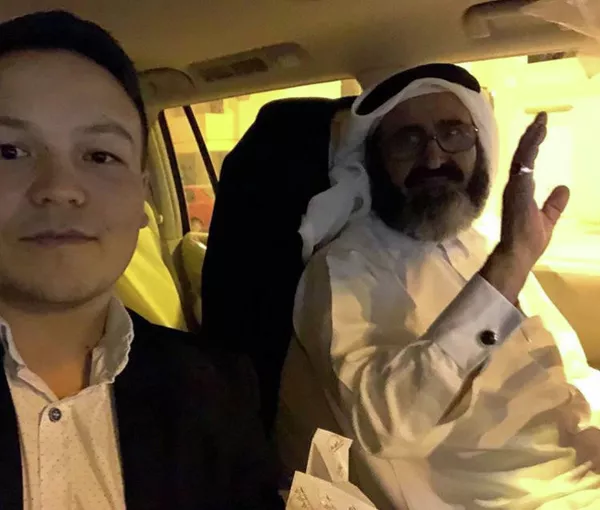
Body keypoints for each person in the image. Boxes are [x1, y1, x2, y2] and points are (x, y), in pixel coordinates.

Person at [280, 63, 600, 509]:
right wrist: (507, 269)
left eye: (454, 133)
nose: (434, 159)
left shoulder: (484, 243)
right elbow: (385, 424)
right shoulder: (344, 269)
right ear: (375, 161)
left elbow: (569, 369)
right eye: (407, 140)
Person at [0, 10, 282, 510]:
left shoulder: (217, 388)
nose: (60, 188)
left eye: (100, 155)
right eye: (9, 151)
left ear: (142, 200)